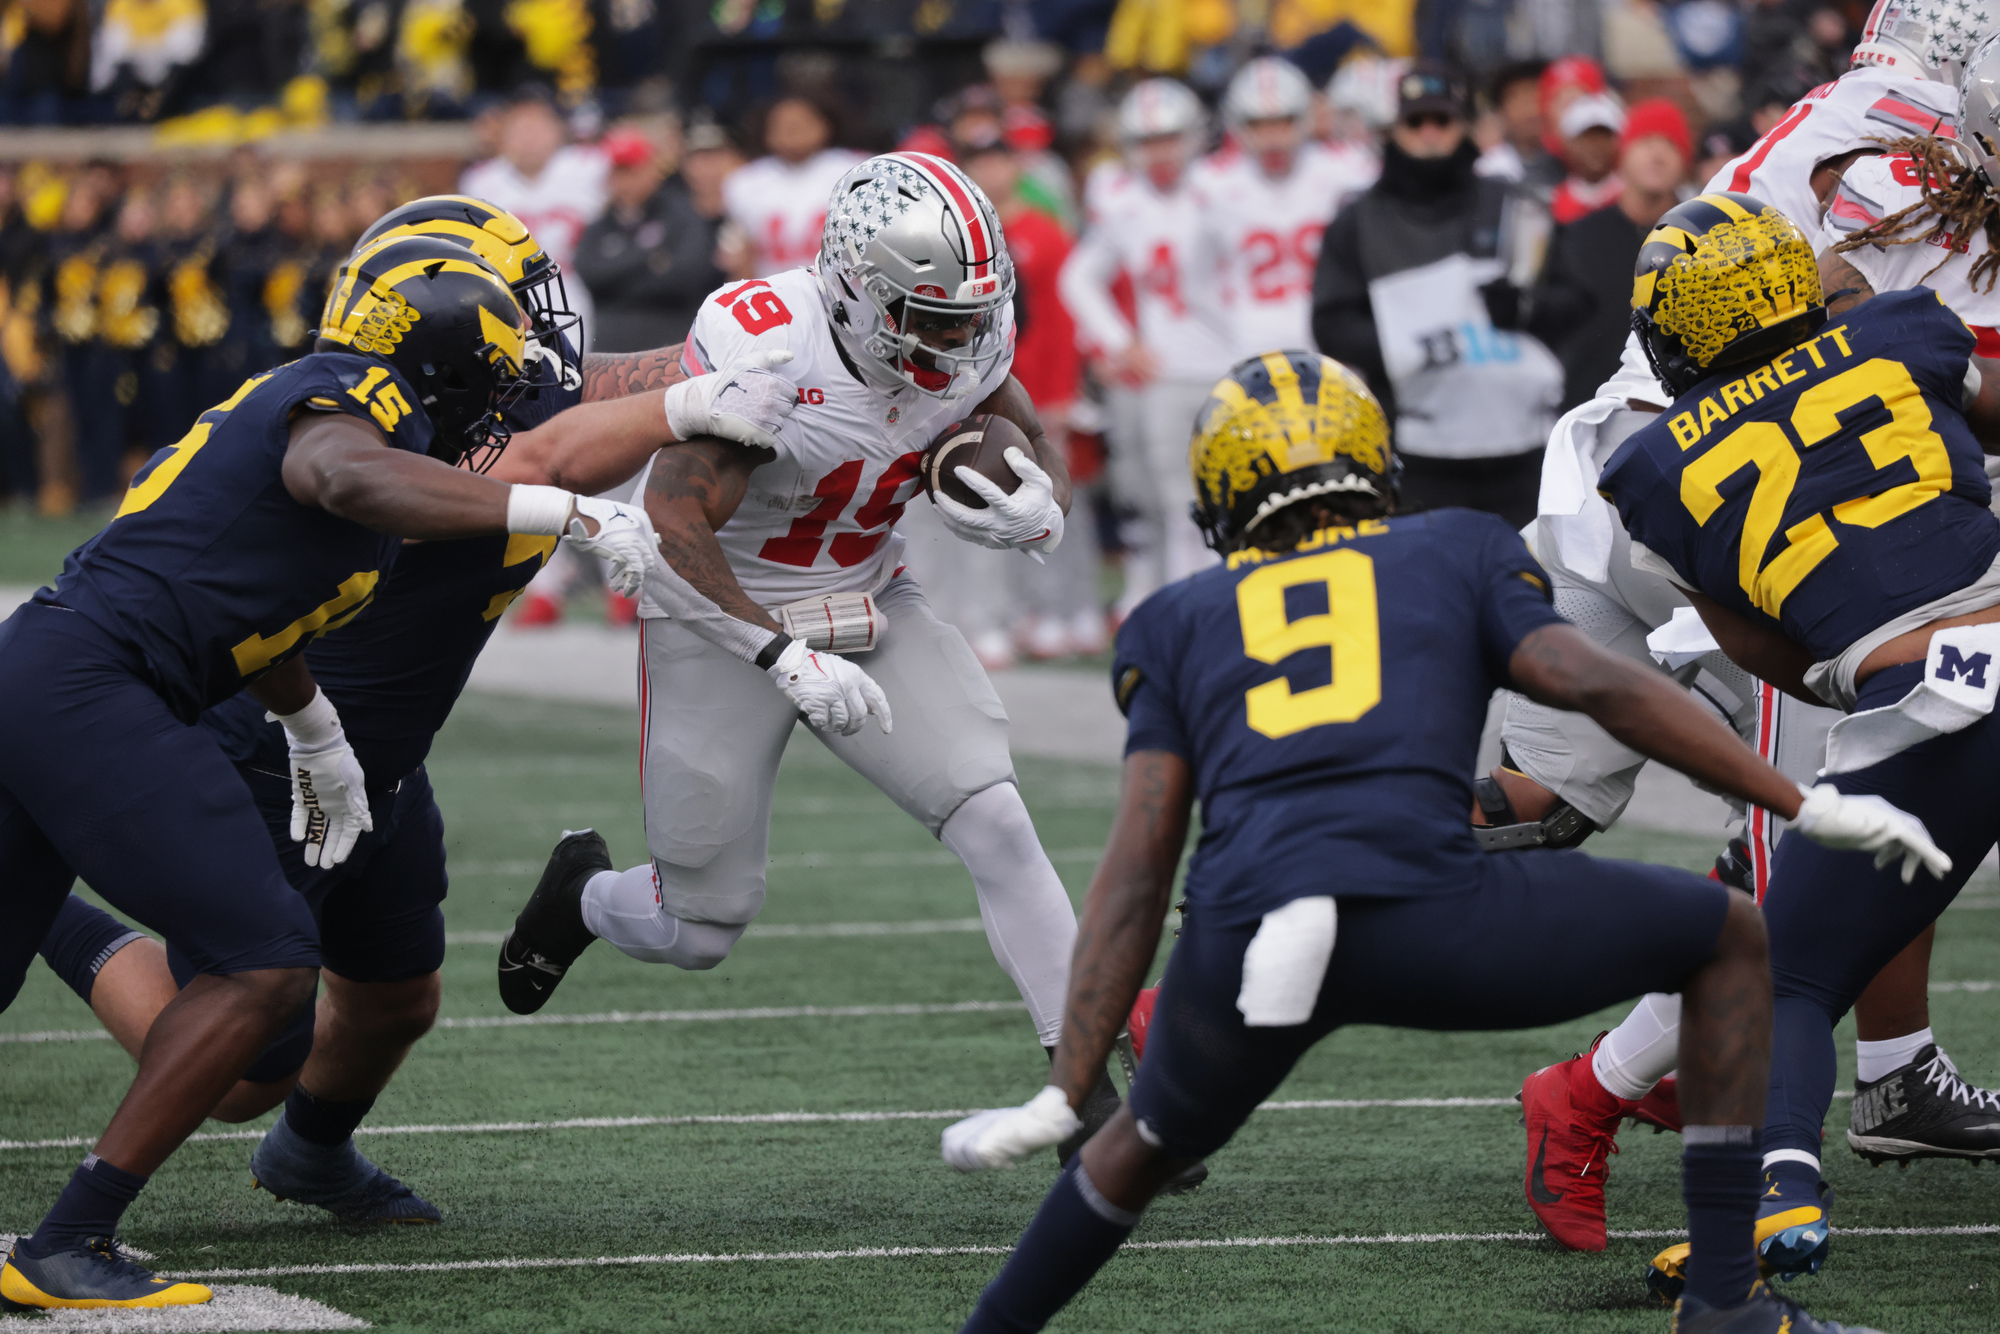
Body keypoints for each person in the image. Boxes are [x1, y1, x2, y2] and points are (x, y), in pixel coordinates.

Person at [940, 348, 1939, 1334]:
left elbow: (1136, 864)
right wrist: (1795, 801)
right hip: (1422, 906)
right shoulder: (1454, 546)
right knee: (1726, 931)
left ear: (1219, 499)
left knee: (1137, 1144)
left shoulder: (1169, 618)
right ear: (1375, 463)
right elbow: (1590, 682)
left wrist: (1064, 1086)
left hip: (1249, 931)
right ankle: (1724, 1298)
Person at [26, 195, 805, 1229]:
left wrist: (814, 331)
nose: (532, 333)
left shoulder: (488, 387)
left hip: (375, 750)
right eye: (507, 306)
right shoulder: (381, 424)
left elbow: (621, 380)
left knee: (397, 995)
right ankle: (55, 920)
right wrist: (684, 409)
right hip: (277, 749)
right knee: (243, 1063)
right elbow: (542, 463)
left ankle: (309, 1156)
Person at [495, 152, 1123, 1155]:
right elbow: (671, 525)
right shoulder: (770, 350)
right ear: (856, 290)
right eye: (935, 319)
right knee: (698, 927)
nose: (961, 340)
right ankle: (582, 895)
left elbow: (999, 400)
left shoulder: (959, 326)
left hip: (870, 593)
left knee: (993, 813)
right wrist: (775, 653)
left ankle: (1086, 1092)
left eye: (974, 314)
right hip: (716, 610)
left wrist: (1036, 482)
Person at [1508, 0, 2000, 1259]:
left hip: (1644, 469)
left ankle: (1888, 1067)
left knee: (1536, 804)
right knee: (1825, 827)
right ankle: (1603, 1090)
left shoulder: (1871, 112)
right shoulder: (1919, 181)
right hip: (1730, 498)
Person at [1602, 188, 1998, 1294]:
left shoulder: (1652, 473)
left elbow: (1774, 654)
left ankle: (1780, 1185)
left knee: (1788, 973)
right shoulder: (1898, 330)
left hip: (1920, 700)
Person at [1312, 61, 1562, 529]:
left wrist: (1526, 308)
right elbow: (1330, 323)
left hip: (1524, 445)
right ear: (1394, 130)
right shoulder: (1359, 221)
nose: (1429, 133)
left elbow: (1577, 300)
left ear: (1463, 126)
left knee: (1535, 591)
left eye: (1442, 120)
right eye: (1415, 121)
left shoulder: (1514, 202)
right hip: (1421, 451)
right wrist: (1404, 343)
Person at [1058, 78, 1232, 620]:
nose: (1160, 152)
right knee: (1181, 509)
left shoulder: (1228, 187)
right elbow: (1078, 278)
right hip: (1167, 371)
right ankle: (1195, 616)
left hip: (1239, 366)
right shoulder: (1125, 203)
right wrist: (1119, 341)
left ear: (1195, 136)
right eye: (1148, 140)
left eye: (1171, 137)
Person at [1196, 56, 1377, 362]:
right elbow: (1194, 280)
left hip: (1334, 350)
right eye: (1259, 125)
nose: (1273, 139)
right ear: (1237, 125)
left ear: (1306, 118)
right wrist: (1233, 330)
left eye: (1284, 122)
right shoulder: (1211, 184)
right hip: (1251, 352)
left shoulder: (1347, 170)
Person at [1518, 97, 1693, 410]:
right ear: (1623, 153)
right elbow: (1552, 317)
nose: (1657, 154)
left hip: (1680, 411)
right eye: (1645, 142)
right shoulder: (1580, 236)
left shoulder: (1702, 237)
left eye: (1669, 143)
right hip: (1593, 408)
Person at [459, 86, 608, 349]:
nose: (529, 137)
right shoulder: (479, 181)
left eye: (538, 126)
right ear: (502, 134)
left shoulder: (591, 167)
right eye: (519, 128)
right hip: (509, 290)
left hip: (581, 282)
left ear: (559, 130)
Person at [573, 129, 726, 352]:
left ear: (653, 169)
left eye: (631, 171)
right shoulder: (600, 225)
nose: (624, 181)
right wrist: (650, 258)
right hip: (612, 350)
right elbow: (589, 274)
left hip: (671, 347)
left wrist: (616, 285)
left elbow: (688, 277)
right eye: (618, 172)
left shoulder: (683, 215)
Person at [719, 94, 861, 278]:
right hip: (773, 296)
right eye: (782, 125)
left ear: (825, 126)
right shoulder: (744, 182)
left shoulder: (856, 172)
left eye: (802, 123)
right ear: (767, 133)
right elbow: (740, 257)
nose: (792, 131)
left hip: (841, 294)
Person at [1549, 90, 1625, 224]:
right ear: (1568, 145)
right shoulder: (1554, 203)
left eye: (1603, 137)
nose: (1594, 147)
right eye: (1585, 138)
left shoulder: (1630, 200)